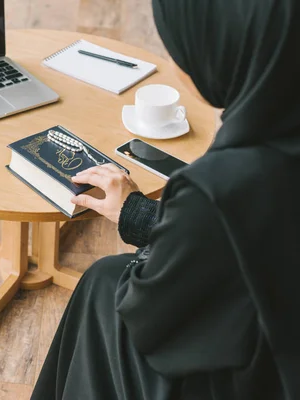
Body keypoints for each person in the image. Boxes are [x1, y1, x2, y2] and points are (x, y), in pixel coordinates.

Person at [31, 0, 300, 399]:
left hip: (259, 377)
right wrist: (139, 215)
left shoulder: (221, 184)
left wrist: (147, 215)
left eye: (181, 47)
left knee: (106, 286)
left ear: (219, 52)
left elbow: (151, 314)